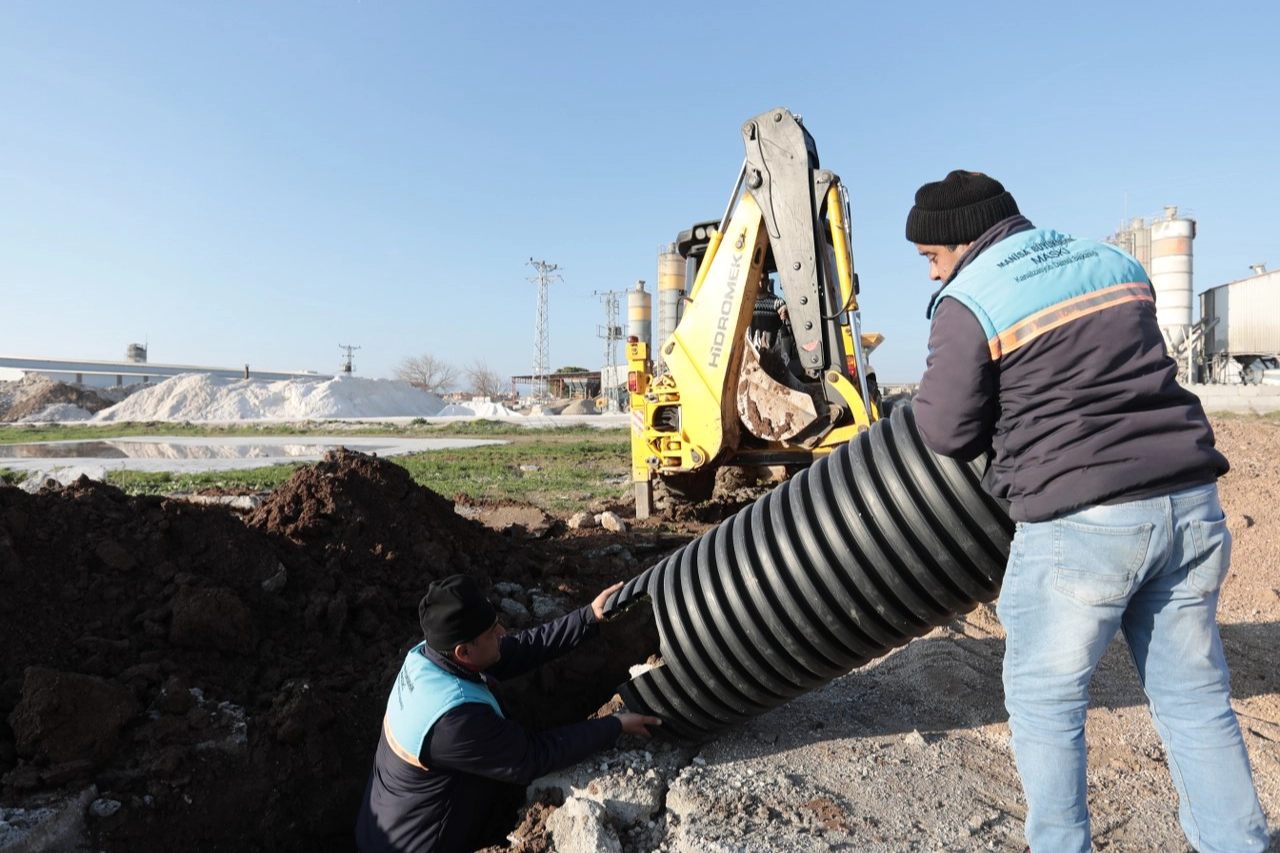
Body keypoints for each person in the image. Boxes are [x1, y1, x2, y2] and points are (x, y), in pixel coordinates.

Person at [905, 170, 1268, 853]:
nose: (931, 275)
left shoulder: (971, 297)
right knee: (1194, 697)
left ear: (959, 241)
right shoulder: (1115, 263)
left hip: (1085, 520)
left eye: (931, 258)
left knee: (1046, 700)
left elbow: (947, 430)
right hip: (1189, 503)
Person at [354, 574, 661, 853]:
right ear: (465, 651)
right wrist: (615, 724)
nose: (502, 631)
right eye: (492, 631)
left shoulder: (429, 655)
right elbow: (532, 757)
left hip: (383, 822)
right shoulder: (454, 723)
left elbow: (518, 649)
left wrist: (587, 617)